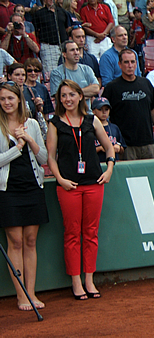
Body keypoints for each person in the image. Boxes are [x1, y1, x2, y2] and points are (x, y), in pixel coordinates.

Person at [47, 79, 114, 300]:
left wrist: (110, 168)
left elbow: (108, 146)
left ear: (79, 96)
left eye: (71, 95)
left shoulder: (91, 120)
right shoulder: (55, 123)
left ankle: (89, 280)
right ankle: (76, 282)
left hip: (94, 184)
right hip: (69, 186)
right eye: (63, 96)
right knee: (72, 234)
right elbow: (51, 157)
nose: (68, 99)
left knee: (91, 233)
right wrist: (60, 179)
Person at [0, 81, 48, 311]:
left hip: (33, 187)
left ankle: (31, 292)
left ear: (19, 99)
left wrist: (28, 140)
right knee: (15, 242)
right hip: (8, 191)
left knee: (30, 241)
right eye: (2, 99)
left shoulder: (31, 124)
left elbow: (44, 158)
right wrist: (17, 147)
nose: (7, 103)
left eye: (10, 98)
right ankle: (20, 295)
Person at [103, 49, 154, 159]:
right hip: (125, 145)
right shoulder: (111, 88)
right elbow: (104, 115)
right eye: (126, 62)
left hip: (147, 142)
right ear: (119, 64)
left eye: (133, 62)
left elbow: (153, 110)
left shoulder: (146, 83)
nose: (130, 65)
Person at [50, 40, 100, 113]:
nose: (76, 53)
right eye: (72, 50)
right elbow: (60, 97)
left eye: (77, 49)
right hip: (66, 116)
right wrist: (85, 93)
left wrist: (72, 93)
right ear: (64, 54)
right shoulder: (56, 73)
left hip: (87, 114)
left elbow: (96, 89)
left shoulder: (86, 69)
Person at [7, 64, 47, 139]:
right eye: (17, 75)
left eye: (23, 75)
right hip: (13, 131)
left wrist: (39, 106)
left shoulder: (31, 91)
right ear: (9, 76)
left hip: (31, 130)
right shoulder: (5, 93)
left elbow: (38, 112)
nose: (21, 78)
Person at [33, 0, 71, 74]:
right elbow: (36, 32)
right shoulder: (39, 14)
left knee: (66, 70)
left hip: (63, 46)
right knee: (50, 72)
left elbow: (67, 28)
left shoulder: (63, 12)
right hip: (48, 46)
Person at [92, 97, 126, 162]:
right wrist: (100, 148)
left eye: (106, 109)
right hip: (97, 163)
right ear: (94, 111)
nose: (104, 112)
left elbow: (122, 148)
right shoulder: (90, 128)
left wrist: (119, 147)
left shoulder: (114, 127)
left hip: (113, 162)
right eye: (100, 109)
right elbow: (85, 151)